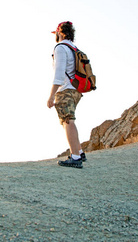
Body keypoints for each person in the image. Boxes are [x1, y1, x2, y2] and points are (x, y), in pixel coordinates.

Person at [47, 21, 87, 168]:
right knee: (68, 120)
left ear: (60, 33)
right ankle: (79, 152)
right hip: (76, 89)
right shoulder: (73, 47)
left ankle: (75, 157)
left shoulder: (60, 48)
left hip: (65, 89)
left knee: (68, 120)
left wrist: (52, 95)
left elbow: (59, 73)